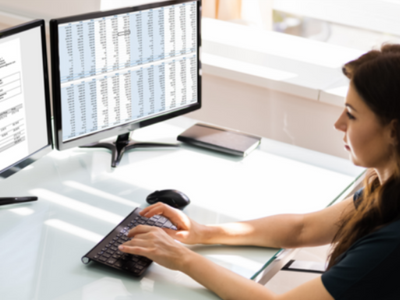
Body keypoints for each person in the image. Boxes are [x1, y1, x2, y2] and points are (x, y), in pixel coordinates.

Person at [119, 44, 400, 300]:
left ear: (394, 131)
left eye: (351, 114)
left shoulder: (391, 244)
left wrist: (183, 259)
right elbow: (302, 229)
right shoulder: (386, 186)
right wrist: (203, 232)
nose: (338, 124)